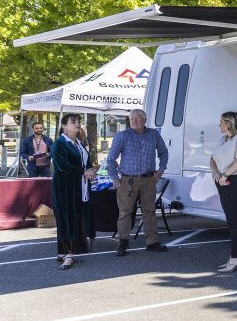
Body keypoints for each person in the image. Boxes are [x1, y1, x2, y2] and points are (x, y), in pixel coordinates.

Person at [106, 109, 169, 256]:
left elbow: (163, 153)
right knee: (125, 212)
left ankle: (152, 242)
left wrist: (160, 171)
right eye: (132, 118)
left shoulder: (153, 134)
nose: (134, 121)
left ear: (144, 120)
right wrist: (115, 179)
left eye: (138, 118)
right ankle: (123, 242)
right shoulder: (122, 136)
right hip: (128, 179)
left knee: (150, 210)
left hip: (148, 179)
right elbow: (110, 159)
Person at [51, 114, 96, 269]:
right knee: (67, 219)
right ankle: (68, 255)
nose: (77, 124)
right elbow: (63, 166)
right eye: (73, 122)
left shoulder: (78, 143)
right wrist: (84, 171)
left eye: (78, 121)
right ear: (64, 126)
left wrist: (90, 169)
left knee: (73, 218)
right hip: (65, 187)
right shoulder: (60, 143)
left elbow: (86, 161)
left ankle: (63, 253)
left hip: (78, 186)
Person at [210, 111, 237, 273]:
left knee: (236, 221)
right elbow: (212, 159)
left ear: (229, 123)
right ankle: (234, 256)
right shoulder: (223, 139)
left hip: (236, 181)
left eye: (221, 121)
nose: (219, 124)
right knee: (232, 220)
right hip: (223, 181)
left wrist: (226, 174)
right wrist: (216, 173)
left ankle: (236, 257)